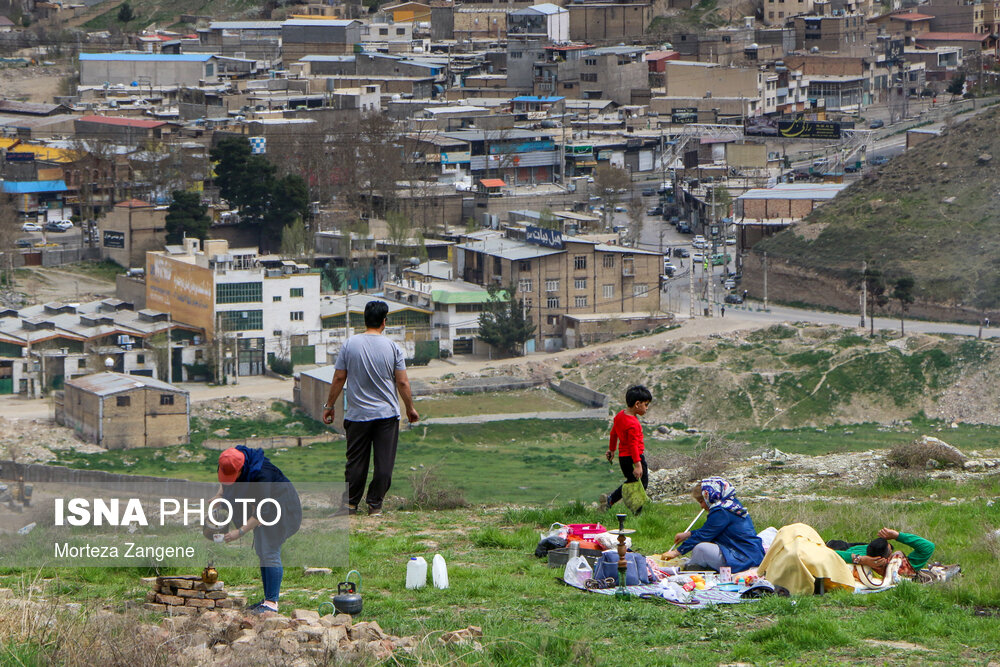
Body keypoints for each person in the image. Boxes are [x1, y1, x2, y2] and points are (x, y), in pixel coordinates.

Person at [322, 300, 419, 516]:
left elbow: (339, 377)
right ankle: (375, 505)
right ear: (384, 322)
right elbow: (402, 382)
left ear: (364, 320)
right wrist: (410, 408)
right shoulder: (393, 347)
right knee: (384, 464)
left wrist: (329, 406)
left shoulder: (350, 345)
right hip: (386, 416)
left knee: (356, 463)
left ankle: (349, 506)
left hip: (357, 416)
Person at [208, 446, 301, 614]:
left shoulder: (262, 476)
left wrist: (240, 532)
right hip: (260, 508)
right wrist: (219, 497)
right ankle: (267, 599)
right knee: (261, 550)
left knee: (270, 550)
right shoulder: (230, 458)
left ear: (241, 469)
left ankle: (271, 604)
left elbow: (262, 511)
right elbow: (225, 484)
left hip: (280, 507)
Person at [662, 477, 765, 572]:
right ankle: (699, 564)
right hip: (751, 554)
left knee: (700, 548)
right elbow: (711, 530)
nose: (702, 506)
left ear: (710, 496)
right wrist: (688, 534)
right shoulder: (730, 505)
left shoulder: (721, 511)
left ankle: (697, 566)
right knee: (701, 548)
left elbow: (704, 535)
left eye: (702, 501)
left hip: (742, 557)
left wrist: (676, 552)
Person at [758, 523, 856, 595]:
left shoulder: (785, 545)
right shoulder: (826, 552)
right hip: (820, 567)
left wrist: (760, 571)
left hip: (790, 580)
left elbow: (769, 557)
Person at [598, 385, 652, 510]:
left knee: (632, 481)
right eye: (646, 405)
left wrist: (612, 450)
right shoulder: (633, 424)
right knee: (641, 483)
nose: (647, 408)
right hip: (634, 458)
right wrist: (638, 465)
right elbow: (633, 445)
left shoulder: (620, 415)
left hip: (623, 458)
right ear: (637, 404)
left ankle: (612, 500)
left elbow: (613, 433)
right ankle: (635, 508)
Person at [831, 527, 935, 573]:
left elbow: (829, 553)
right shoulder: (902, 567)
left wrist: (860, 559)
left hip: (847, 549)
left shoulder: (860, 555)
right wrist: (897, 536)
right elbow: (928, 546)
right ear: (887, 558)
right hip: (845, 547)